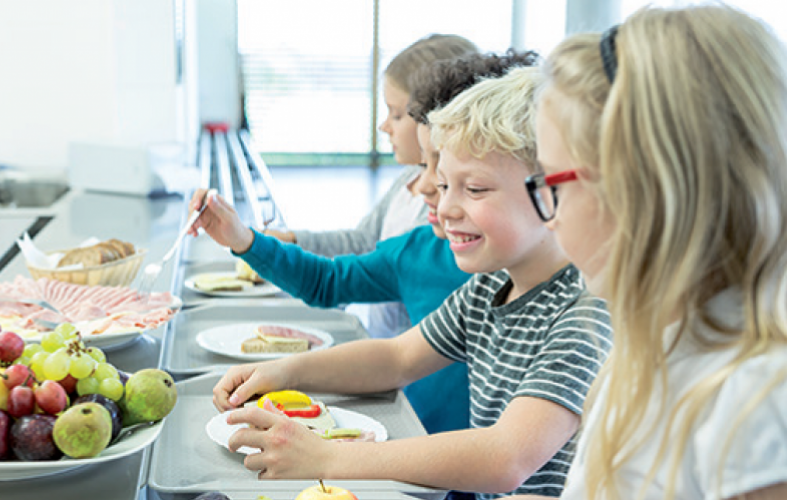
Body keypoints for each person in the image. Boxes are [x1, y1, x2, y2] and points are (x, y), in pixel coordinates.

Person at [197, 68, 612, 499]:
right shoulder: (490, 286)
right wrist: (282, 372)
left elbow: (505, 458)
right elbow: (397, 357)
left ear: (550, 191)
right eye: (445, 185)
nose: (446, 207)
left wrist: (329, 459)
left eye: (474, 188)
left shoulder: (586, 311)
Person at [510, 5, 787, 500]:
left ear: (646, 188)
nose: (550, 217)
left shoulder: (772, 400)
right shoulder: (661, 343)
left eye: (553, 183)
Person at [188, 51, 536, 435]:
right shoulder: (437, 263)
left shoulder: (553, 302)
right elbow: (391, 351)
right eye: (428, 168)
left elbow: (504, 455)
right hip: (424, 459)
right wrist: (244, 240)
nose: (424, 186)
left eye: (471, 186)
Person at [264, 34, 479, 339]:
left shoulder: (440, 216)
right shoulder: (408, 182)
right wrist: (289, 240)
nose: (384, 126)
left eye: (396, 114)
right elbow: (363, 242)